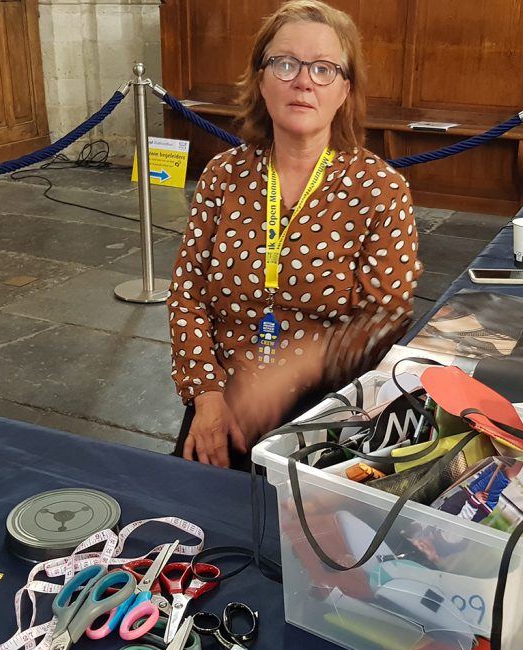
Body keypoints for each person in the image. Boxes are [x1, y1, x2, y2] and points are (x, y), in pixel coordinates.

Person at [168, 0, 423, 469]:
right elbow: (187, 293)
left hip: (325, 411)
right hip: (221, 400)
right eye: (285, 64)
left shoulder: (380, 188)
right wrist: (205, 395)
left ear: (346, 89)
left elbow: (386, 318)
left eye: (324, 68)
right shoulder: (224, 175)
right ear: (261, 78)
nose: (304, 81)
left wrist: (298, 365)